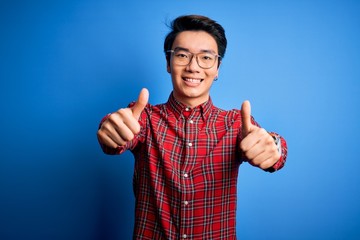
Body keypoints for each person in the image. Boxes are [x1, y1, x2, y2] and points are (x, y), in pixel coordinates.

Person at [97, 14, 288, 240]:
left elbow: (271, 147)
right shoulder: (145, 119)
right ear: (168, 63)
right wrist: (110, 131)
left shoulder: (236, 124)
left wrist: (273, 147)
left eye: (206, 58)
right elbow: (119, 132)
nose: (193, 67)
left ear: (217, 68)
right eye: (182, 55)